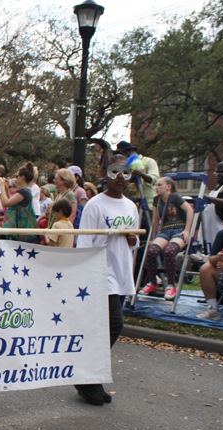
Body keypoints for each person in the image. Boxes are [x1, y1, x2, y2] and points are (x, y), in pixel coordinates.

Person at [75, 151, 140, 406]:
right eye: (115, 171)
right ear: (105, 174)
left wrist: (133, 240)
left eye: (126, 172)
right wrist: (86, 273)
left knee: (104, 329)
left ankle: (90, 378)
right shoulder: (95, 205)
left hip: (121, 272)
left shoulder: (131, 206)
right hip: (101, 273)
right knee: (115, 323)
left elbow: (133, 242)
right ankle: (86, 375)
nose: (121, 177)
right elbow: (84, 242)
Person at [139, 177, 194, 300]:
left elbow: (190, 210)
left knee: (170, 251)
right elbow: (154, 220)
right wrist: (153, 237)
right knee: (152, 251)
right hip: (164, 230)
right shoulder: (156, 200)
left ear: (168, 187)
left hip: (178, 230)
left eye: (159, 185)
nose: (156, 187)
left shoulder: (174, 197)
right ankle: (152, 282)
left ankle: (170, 285)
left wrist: (187, 230)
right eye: (156, 185)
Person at [0, 173, 39, 244]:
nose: (16, 178)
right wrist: (6, 189)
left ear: (22, 177)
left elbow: (5, 203)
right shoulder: (26, 191)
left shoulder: (23, 191)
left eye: (17, 176)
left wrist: (1, 187)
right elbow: (11, 205)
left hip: (20, 230)